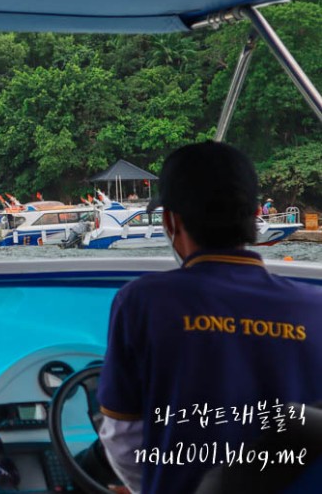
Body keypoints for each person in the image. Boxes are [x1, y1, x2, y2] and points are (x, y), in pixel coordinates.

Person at [97, 142, 322, 494]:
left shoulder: (143, 301)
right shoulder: (315, 306)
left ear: (171, 221)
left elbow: (123, 438)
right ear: (253, 218)